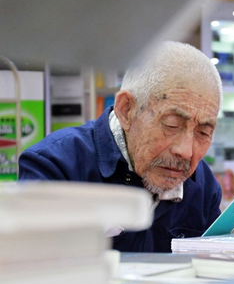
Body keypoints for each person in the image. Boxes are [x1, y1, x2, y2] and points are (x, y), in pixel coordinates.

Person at [18, 41, 223, 252]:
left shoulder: (203, 185)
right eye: (171, 125)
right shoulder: (55, 168)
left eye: (203, 133)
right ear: (126, 110)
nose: (186, 151)